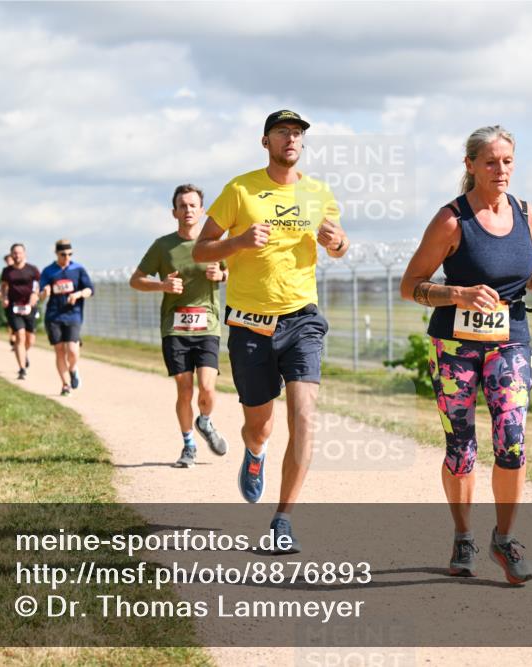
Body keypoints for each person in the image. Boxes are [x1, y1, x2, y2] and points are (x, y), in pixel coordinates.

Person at [400, 125, 532, 583]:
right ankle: (463, 535)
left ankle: (504, 541)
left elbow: (513, 274)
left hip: (511, 342)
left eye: (507, 161)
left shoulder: (526, 215)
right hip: (454, 347)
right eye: (490, 162)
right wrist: (457, 295)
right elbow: (410, 286)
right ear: (470, 165)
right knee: (461, 447)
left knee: (511, 440)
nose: (500, 170)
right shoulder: (452, 220)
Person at [193, 110, 349, 553]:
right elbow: (202, 248)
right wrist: (238, 243)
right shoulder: (240, 190)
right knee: (259, 426)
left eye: (297, 133)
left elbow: (340, 246)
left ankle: (283, 519)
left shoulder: (318, 193)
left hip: (302, 319)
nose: (291, 139)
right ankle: (256, 454)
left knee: (303, 417)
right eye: (283, 132)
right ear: (266, 142)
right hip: (249, 324)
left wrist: (336, 243)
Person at [131, 184, 229, 468]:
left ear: (202, 210)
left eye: (192, 205)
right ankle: (189, 446)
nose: (187, 210)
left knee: (208, 389)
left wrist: (221, 274)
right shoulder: (163, 246)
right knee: (184, 390)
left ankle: (205, 422)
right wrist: (162, 284)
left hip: (207, 325)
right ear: (174, 211)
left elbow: (236, 270)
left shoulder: (214, 243)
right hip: (175, 328)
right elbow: (136, 279)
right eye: (182, 205)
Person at [39, 239, 94, 396]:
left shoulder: (78, 269)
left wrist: (78, 294)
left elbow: (90, 289)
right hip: (54, 315)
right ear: (56, 253)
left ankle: (73, 369)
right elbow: (41, 295)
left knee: (72, 350)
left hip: (73, 314)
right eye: (63, 254)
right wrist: (45, 292)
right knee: (59, 350)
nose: (67, 257)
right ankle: (65, 385)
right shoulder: (49, 271)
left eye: (70, 254)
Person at [0, 244, 40, 380]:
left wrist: (34, 296)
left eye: (19, 253)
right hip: (13, 307)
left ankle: (24, 353)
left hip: (29, 307)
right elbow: (4, 286)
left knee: (30, 340)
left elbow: (37, 287)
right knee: (20, 336)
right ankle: (22, 369)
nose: (17, 256)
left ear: (24, 254)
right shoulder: (7, 271)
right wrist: (4, 297)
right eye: (14, 253)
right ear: (11, 254)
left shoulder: (32, 270)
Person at [0, 253, 17, 350]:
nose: (8, 262)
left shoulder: (20, 271)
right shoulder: (5, 273)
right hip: (9, 301)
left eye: (10, 260)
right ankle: (13, 339)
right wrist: (2, 297)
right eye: (7, 261)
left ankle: (17, 340)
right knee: (11, 321)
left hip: (20, 301)